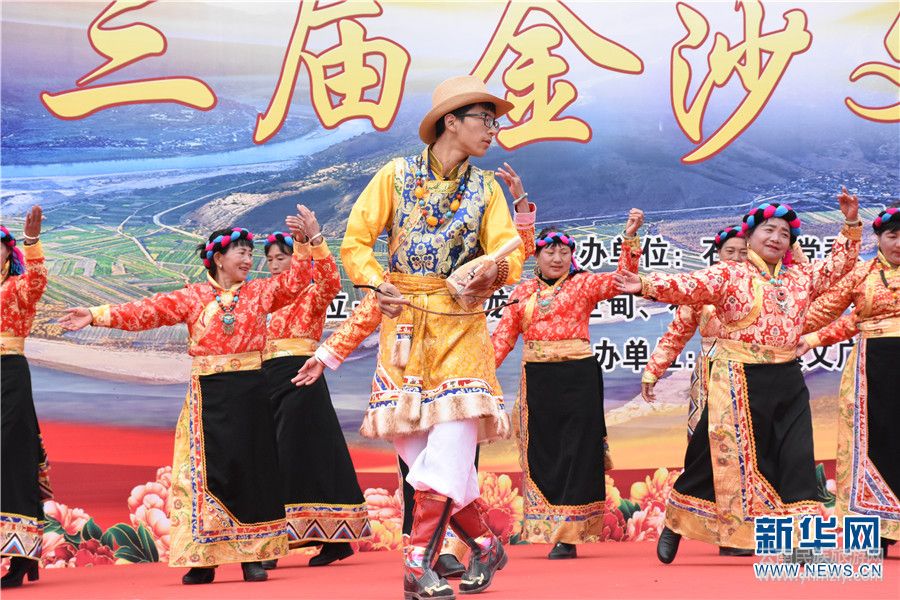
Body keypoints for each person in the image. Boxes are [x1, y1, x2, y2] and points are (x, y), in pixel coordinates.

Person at [293, 75, 528, 599]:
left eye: (495, 121)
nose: (493, 129)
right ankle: (486, 545)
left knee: (445, 457)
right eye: (484, 119)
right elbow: (357, 242)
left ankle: (415, 566)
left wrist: (490, 272)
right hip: (401, 331)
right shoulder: (395, 176)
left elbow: (509, 253)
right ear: (451, 121)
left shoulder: (486, 189)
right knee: (421, 459)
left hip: (461, 328)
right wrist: (376, 285)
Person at [60, 209, 312, 584]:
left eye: (250, 253)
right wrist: (96, 314)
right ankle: (203, 558)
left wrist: (307, 242)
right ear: (218, 258)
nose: (248, 259)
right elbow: (148, 311)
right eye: (241, 252)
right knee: (203, 475)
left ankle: (254, 556)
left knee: (253, 471)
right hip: (207, 396)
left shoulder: (260, 293)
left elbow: (299, 281)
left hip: (251, 392)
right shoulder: (193, 297)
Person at [615, 191, 861, 563]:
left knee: (795, 455)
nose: (776, 238)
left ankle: (800, 539)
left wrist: (851, 224)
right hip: (737, 378)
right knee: (714, 459)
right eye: (768, 230)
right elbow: (688, 286)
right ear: (750, 235)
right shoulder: (730, 273)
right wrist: (646, 285)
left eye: (784, 233)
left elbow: (836, 266)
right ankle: (678, 521)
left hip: (787, 378)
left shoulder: (799, 277)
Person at [490, 209, 643, 559]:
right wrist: (478, 373)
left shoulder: (583, 284)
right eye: (550, 251)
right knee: (544, 453)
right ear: (537, 256)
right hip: (538, 380)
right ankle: (547, 525)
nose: (557, 258)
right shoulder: (522, 293)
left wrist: (630, 237)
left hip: (579, 378)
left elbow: (622, 279)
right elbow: (502, 339)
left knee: (578, 450)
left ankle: (570, 534)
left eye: (564, 252)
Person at [260, 220, 370, 570]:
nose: (274, 264)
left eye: (281, 257)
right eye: (270, 259)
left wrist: (314, 243)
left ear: (297, 258)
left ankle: (299, 540)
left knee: (305, 455)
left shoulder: (311, 293)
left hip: (301, 377)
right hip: (267, 379)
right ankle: (314, 539)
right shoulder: (265, 294)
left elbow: (331, 282)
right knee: (276, 456)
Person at [797, 205, 899, 557]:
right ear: (879, 239)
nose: (899, 243)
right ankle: (877, 528)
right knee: (873, 441)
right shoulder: (862, 273)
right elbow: (829, 311)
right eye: (892, 236)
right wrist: (791, 328)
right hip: (873, 369)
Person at [641, 225, 748, 442]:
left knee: (750, 435)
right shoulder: (704, 288)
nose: (736, 258)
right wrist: (653, 370)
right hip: (710, 371)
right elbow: (677, 333)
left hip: (752, 369)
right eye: (730, 251)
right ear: (718, 253)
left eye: (743, 252)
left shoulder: (761, 286)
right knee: (706, 435)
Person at [1, 207, 50, 589]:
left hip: (8, 375)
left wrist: (32, 243)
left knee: (11, 456)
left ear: (7, 252)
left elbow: (38, 281)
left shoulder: (18, 288)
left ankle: (20, 554)